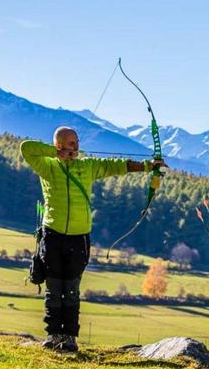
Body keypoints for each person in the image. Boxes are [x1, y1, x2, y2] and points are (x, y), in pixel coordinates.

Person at [21, 126, 163, 352]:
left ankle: (69, 338)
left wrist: (148, 166)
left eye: (77, 142)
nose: (76, 147)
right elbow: (26, 149)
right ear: (59, 145)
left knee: (72, 289)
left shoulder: (86, 166)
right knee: (55, 288)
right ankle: (53, 334)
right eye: (70, 144)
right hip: (53, 234)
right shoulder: (47, 166)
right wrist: (55, 154)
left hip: (79, 237)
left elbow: (116, 165)